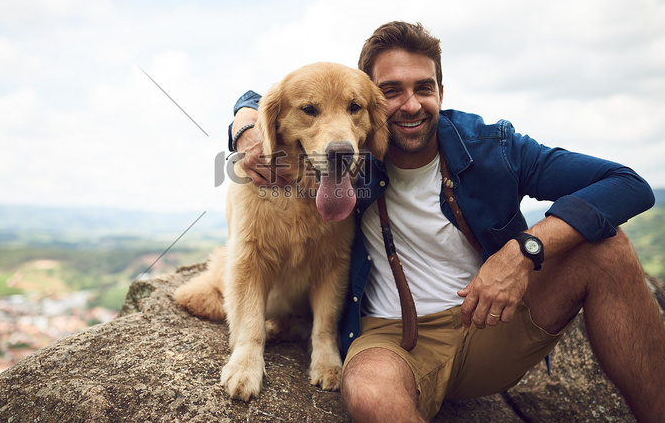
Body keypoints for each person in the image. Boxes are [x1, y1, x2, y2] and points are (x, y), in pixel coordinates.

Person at [227, 21, 664, 422]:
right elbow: (284, 100)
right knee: (368, 392)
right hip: (392, 339)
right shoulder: (347, 158)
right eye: (393, 91)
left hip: (490, 322)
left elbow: (628, 183)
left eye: (424, 87)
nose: (411, 105)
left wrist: (523, 251)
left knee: (607, 249)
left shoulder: (494, 148)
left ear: (441, 90)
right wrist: (245, 126)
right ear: (377, 104)